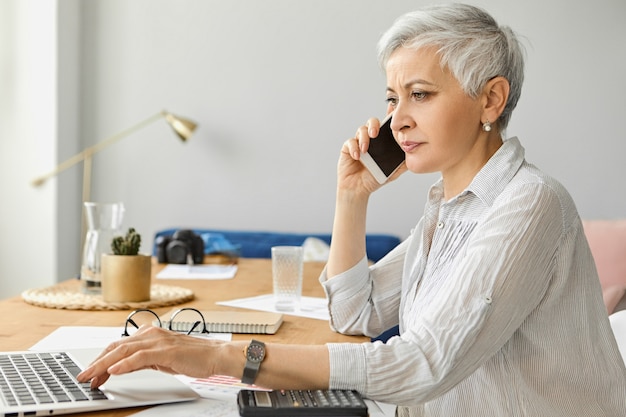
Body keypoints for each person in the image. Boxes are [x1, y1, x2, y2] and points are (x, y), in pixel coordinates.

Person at [78, 4, 626, 415]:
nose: (398, 119)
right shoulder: (449, 209)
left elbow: (420, 365)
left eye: (420, 94)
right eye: (392, 98)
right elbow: (355, 315)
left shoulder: (529, 205)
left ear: (491, 99)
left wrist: (221, 357)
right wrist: (352, 196)